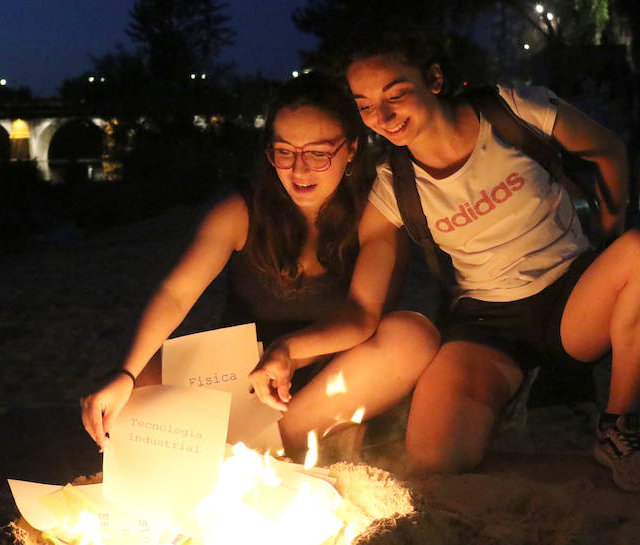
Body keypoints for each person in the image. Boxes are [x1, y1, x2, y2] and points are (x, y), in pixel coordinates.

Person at [250, 29, 640, 492]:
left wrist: (610, 241)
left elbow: (607, 150)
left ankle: (618, 425)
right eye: (366, 106)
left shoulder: (513, 111)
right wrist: (288, 350)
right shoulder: (391, 188)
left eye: (396, 95)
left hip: (572, 299)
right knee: (435, 458)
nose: (385, 116)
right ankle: (514, 393)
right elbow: (362, 312)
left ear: (433, 79)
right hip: (486, 325)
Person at [81, 73, 439, 456]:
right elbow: (176, 293)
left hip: (334, 375)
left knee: (412, 336)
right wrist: (126, 373)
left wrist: (288, 350)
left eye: (318, 153)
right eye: (285, 152)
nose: (299, 170)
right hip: (240, 374)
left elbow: (361, 316)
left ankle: (267, 441)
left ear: (351, 148)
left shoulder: (375, 212)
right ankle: (271, 442)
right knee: (138, 383)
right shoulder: (241, 211)